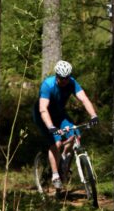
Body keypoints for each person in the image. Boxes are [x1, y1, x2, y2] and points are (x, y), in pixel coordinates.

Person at [34, 60, 98, 190]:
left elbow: (84, 99)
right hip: (43, 116)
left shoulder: (72, 82)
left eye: (67, 78)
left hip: (59, 114)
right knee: (56, 143)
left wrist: (93, 116)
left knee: (75, 135)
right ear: (57, 76)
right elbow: (43, 109)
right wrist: (51, 127)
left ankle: (63, 161)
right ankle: (56, 175)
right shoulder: (48, 85)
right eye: (62, 78)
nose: (64, 81)